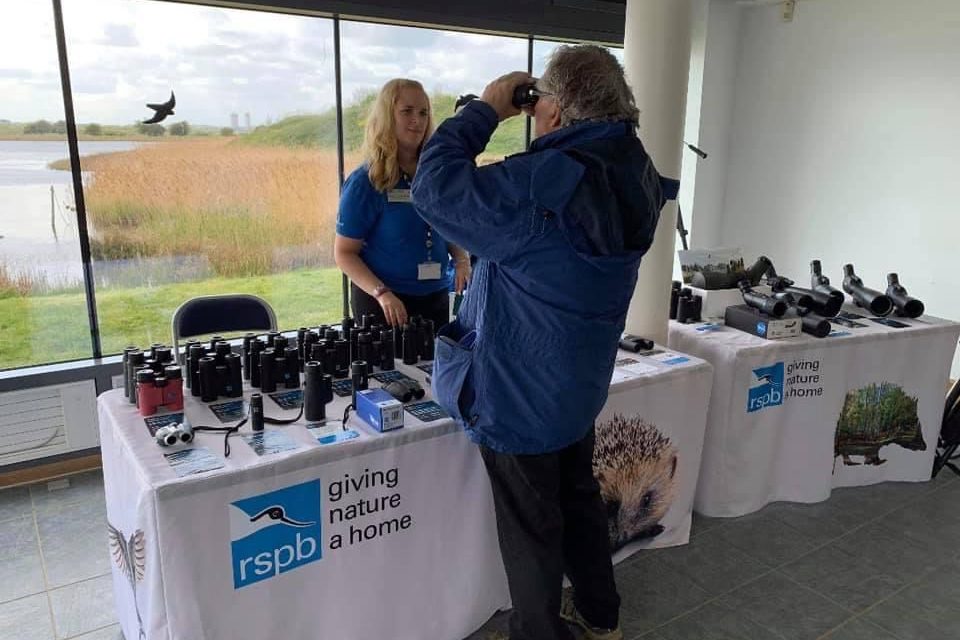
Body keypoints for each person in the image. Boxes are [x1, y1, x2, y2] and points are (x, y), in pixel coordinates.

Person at [411, 46, 672, 640]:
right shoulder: (636, 172)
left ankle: (537, 631)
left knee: (532, 531)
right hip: (577, 385)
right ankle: (602, 617)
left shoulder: (540, 187)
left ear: (553, 111)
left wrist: (483, 110)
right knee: (579, 501)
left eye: (539, 107)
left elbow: (434, 190)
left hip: (520, 393)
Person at [334, 78, 470, 331]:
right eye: (406, 112)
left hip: (435, 296)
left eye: (423, 113)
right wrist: (382, 293)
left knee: (432, 369)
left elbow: (446, 225)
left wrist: (461, 258)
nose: (416, 121)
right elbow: (344, 253)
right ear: (387, 116)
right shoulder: (366, 181)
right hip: (386, 303)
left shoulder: (436, 173)